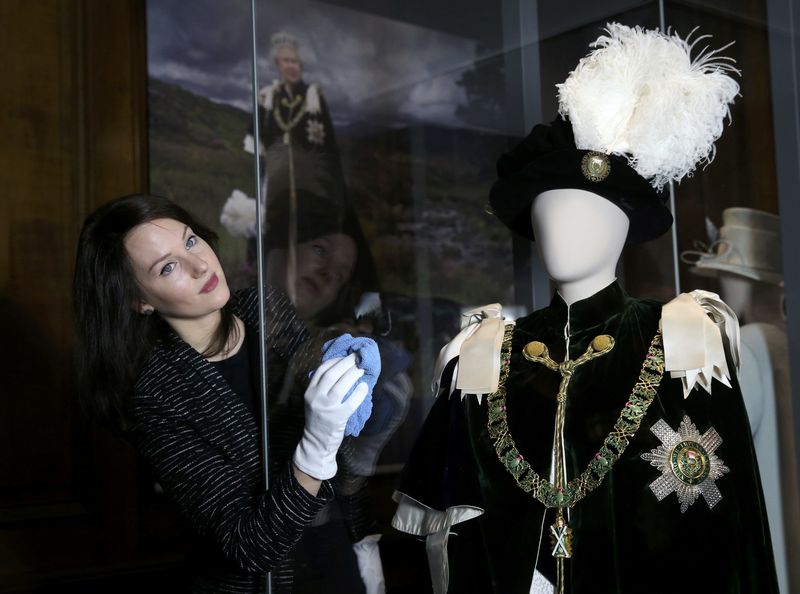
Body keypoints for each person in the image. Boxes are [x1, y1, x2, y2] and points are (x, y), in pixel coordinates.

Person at [391, 24, 778, 594]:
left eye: (587, 212)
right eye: (553, 211)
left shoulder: (683, 341)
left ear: (622, 228)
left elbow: (727, 533)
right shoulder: (485, 355)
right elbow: (445, 531)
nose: (566, 229)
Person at [72, 193, 369, 593]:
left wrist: (359, 388)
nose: (200, 265)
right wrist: (316, 445)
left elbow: (343, 443)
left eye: (191, 240)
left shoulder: (268, 309)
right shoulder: (155, 398)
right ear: (139, 300)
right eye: (168, 267)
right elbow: (251, 547)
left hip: (335, 563)